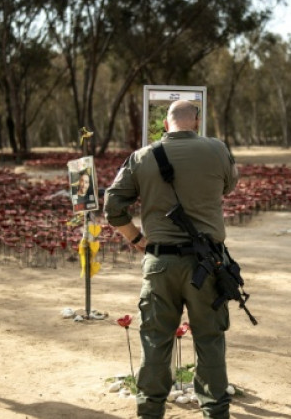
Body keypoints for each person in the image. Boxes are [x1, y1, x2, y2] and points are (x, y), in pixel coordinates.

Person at [104, 100, 239, 419]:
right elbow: (229, 186)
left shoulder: (142, 156)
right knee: (209, 339)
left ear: (165, 124)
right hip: (207, 264)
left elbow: (112, 206)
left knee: (155, 339)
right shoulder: (217, 149)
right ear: (197, 122)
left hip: (160, 264)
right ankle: (215, 411)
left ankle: (150, 411)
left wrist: (136, 238)